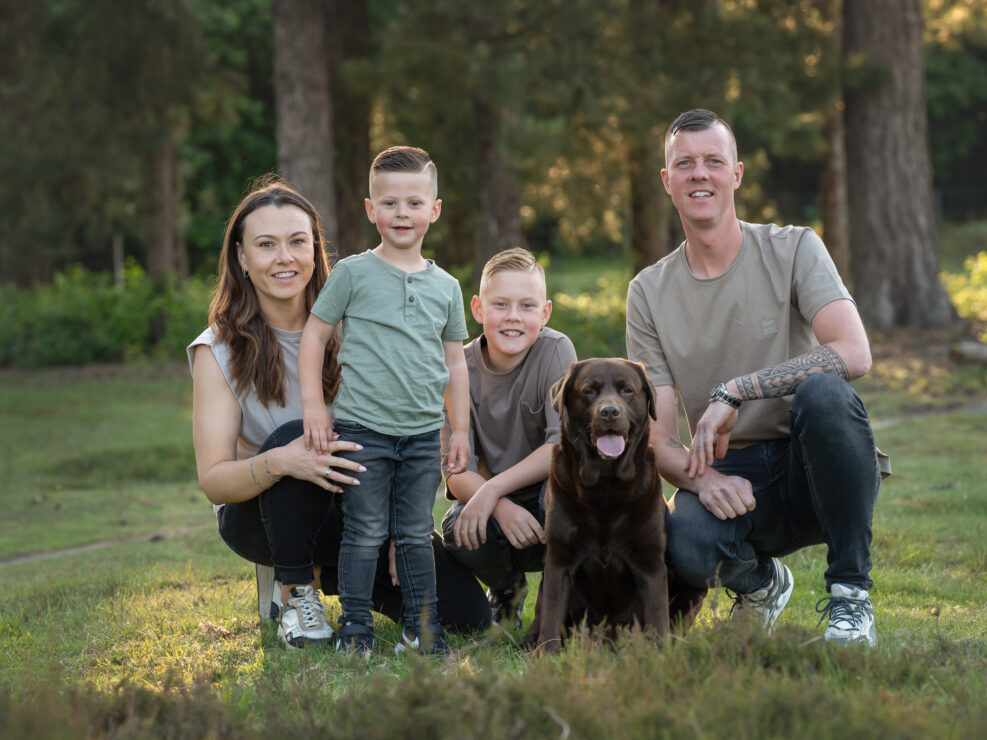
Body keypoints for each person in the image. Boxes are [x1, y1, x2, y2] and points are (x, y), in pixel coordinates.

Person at [189, 178, 490, 652]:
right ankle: (295, 591)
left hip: (357, 506)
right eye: (266, 245)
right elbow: (215, 482)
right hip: (259, 516)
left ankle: (330, 572)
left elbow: (405, 424)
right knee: (300, 435)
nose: (284, 257)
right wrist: (284, 462)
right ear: (242, 258)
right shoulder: (218, 351)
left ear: (315, 250)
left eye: (297, 242)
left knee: (468, 615)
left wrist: (399, 532)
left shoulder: (358, 322)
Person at [625, 109, 888, 647]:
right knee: (685, 538)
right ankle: (764, 586)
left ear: (737, 174)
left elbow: (854, 352)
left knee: (824, 392)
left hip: (813, 462)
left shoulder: (794, 247)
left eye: (714, 162)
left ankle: (851, 601)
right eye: (686, 164)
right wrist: (703, 482)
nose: (700, 174)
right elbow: (657, 435)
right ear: (667, 181)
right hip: (735, 474)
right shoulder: (648, 292)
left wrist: (736, 390)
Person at [298, 147, 471, 656]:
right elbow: (313, 337)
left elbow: (456, 364)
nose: (402, 214)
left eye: (414, 203)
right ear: (370, 209)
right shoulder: (352, 274)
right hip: (361, 429)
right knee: (366, 531)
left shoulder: (447, 287)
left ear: (434, 210)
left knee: (415, 534)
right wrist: (314, 407)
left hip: (421, 435)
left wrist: (457, 429)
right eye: (389, 203)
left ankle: (422, 630)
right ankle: (355, 628)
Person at [440, 248, 578, 629]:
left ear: (545, 312)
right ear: (478, 309)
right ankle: (507, 588)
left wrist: (491, 490)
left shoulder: (556, 350)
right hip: (496, 506)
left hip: (551, 496)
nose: (514, 317)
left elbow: (560, 447)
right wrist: (497, 503)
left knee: (565, 500)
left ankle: (560, 600)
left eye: (527, 306)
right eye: (500, 305)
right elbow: (455, 472)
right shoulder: (458, 369)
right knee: (457, 529)